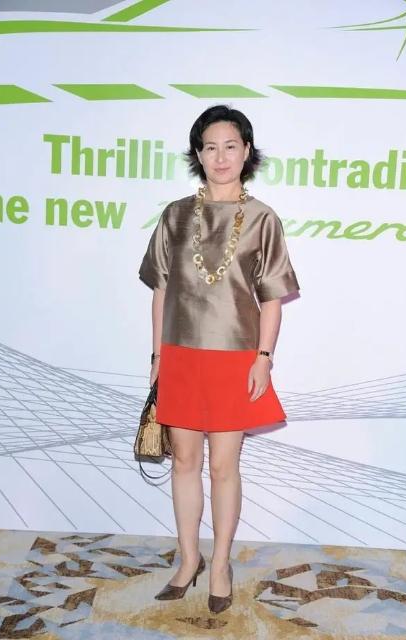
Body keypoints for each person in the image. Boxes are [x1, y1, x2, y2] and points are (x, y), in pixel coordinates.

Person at [138, 104, 300, 614]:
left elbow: (271, 298)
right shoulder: (174, 215)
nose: (221, 156)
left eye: (231, 146)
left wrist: (264, 358)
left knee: (224, 466)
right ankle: (189, 559)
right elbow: (161, 292)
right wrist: (157, 356)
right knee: (184, 462)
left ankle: (222, 563)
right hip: (181, 355)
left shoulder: (263, 219)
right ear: (198, 154)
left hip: (234, 358)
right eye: (210, 147)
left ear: (246, 152)